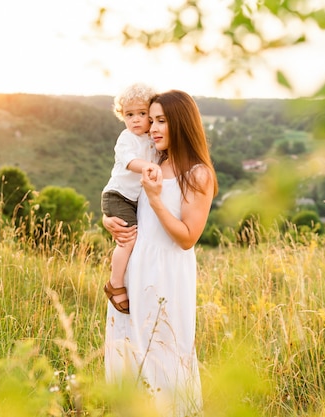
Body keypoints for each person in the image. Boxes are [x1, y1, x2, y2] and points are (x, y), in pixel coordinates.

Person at [103, 90, 218, 416]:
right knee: (131, 352)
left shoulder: (197, 173)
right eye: (150, 120)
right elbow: (123, 200)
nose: (152, 128)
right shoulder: (152, 163)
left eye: (161, 121)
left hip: (167, 272)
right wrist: (107, 218)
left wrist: (154, 198)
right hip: (133, 270)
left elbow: (187, 238)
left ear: (181, 123)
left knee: (165, 350)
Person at [101, 83, 159, 314]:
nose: (135, 120)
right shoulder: (127, 138)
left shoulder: (152, 137)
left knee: (138, 239)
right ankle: (115, 283)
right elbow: (130, 162)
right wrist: (149, 167)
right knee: (128, 239)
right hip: (118, 196)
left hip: (135, 198)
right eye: (129, 114)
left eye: (142, 114)